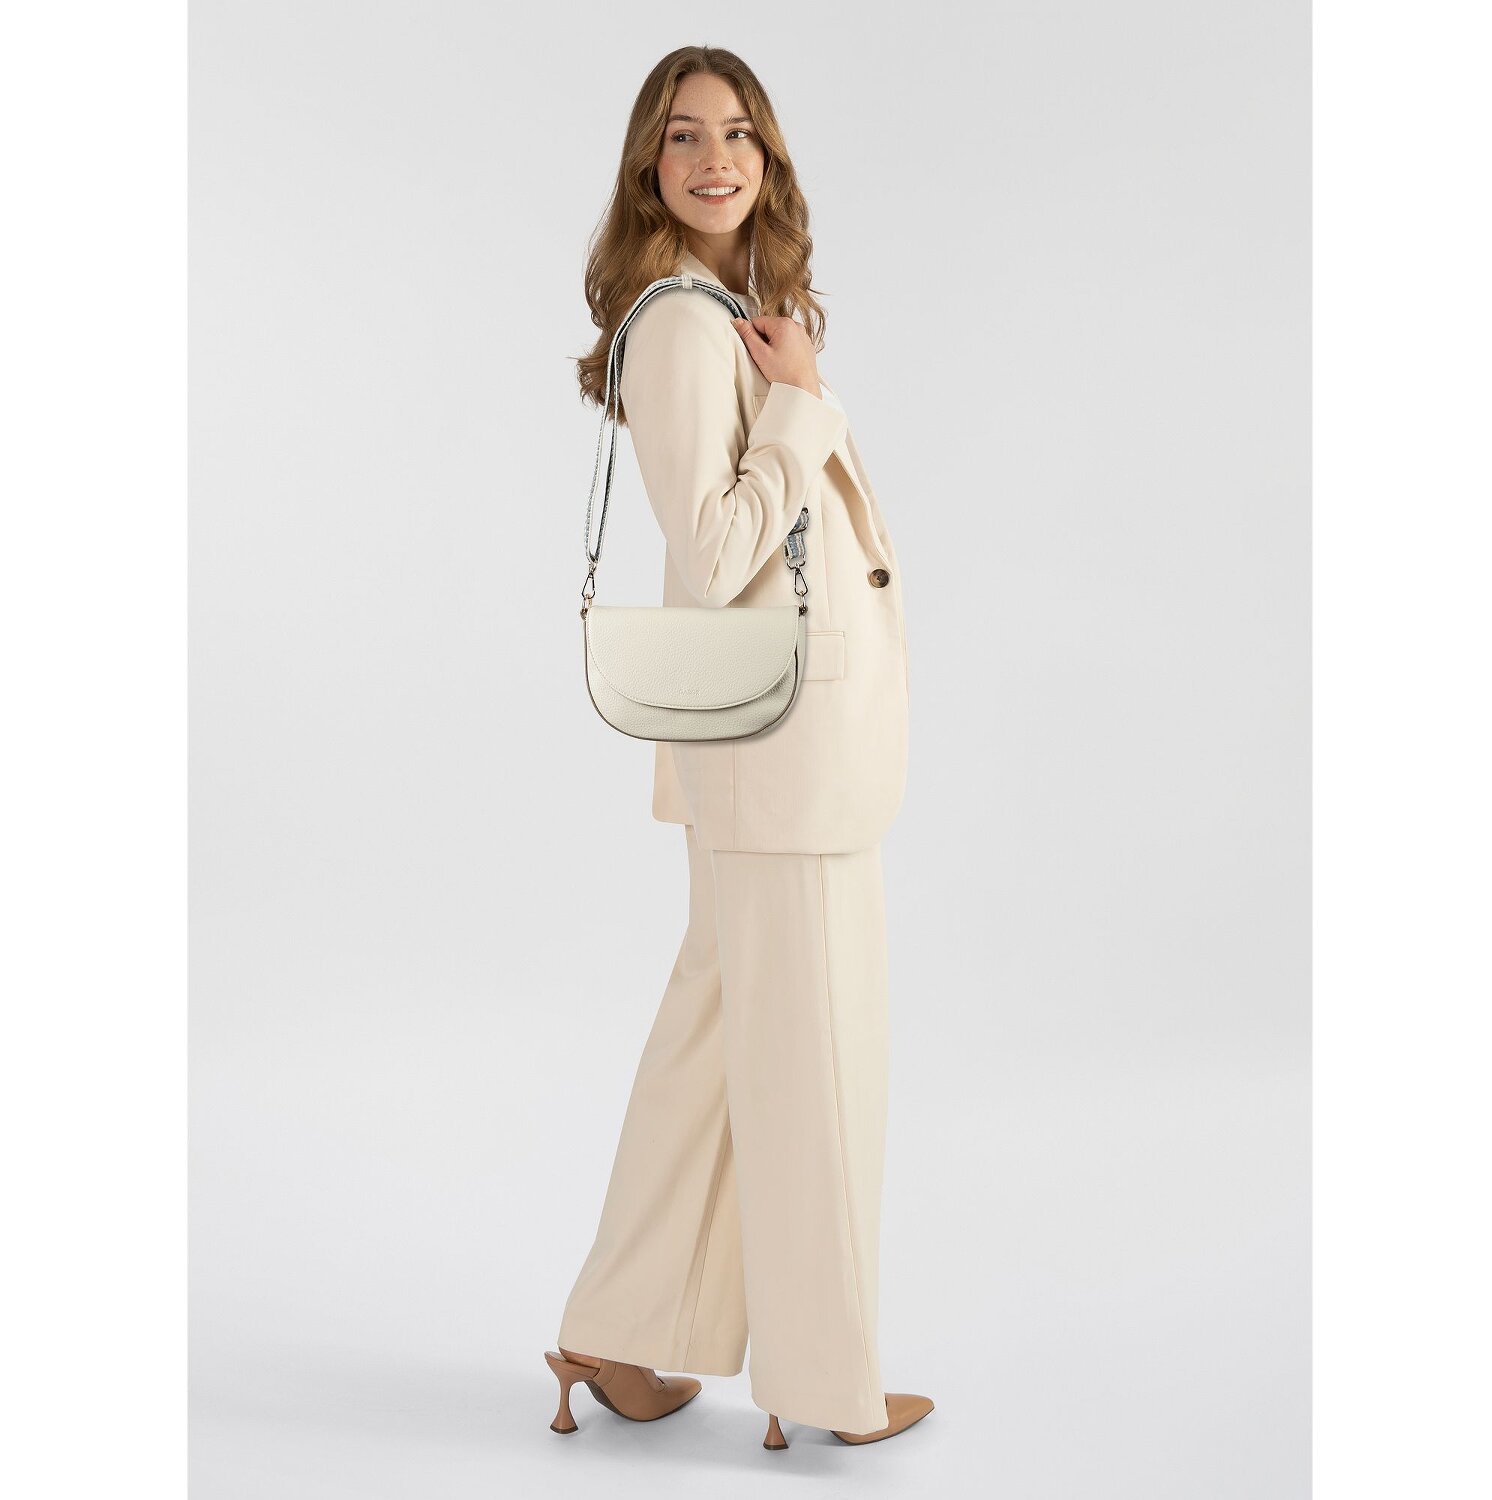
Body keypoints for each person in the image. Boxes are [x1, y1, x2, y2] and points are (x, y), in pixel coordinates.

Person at [547, 45, 931, 1451]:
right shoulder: (680, 329)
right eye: (684, 135)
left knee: (718, 1049)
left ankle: (617, 1330)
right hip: (779, 756)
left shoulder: (726, 316)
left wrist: (792, 387)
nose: (715, 159)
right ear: (648, 166)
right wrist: (805, 407)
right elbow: (715, 559)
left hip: (772, 753)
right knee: (816, 1061)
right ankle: (828, 1384)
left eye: (738, 135)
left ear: (768, 161)